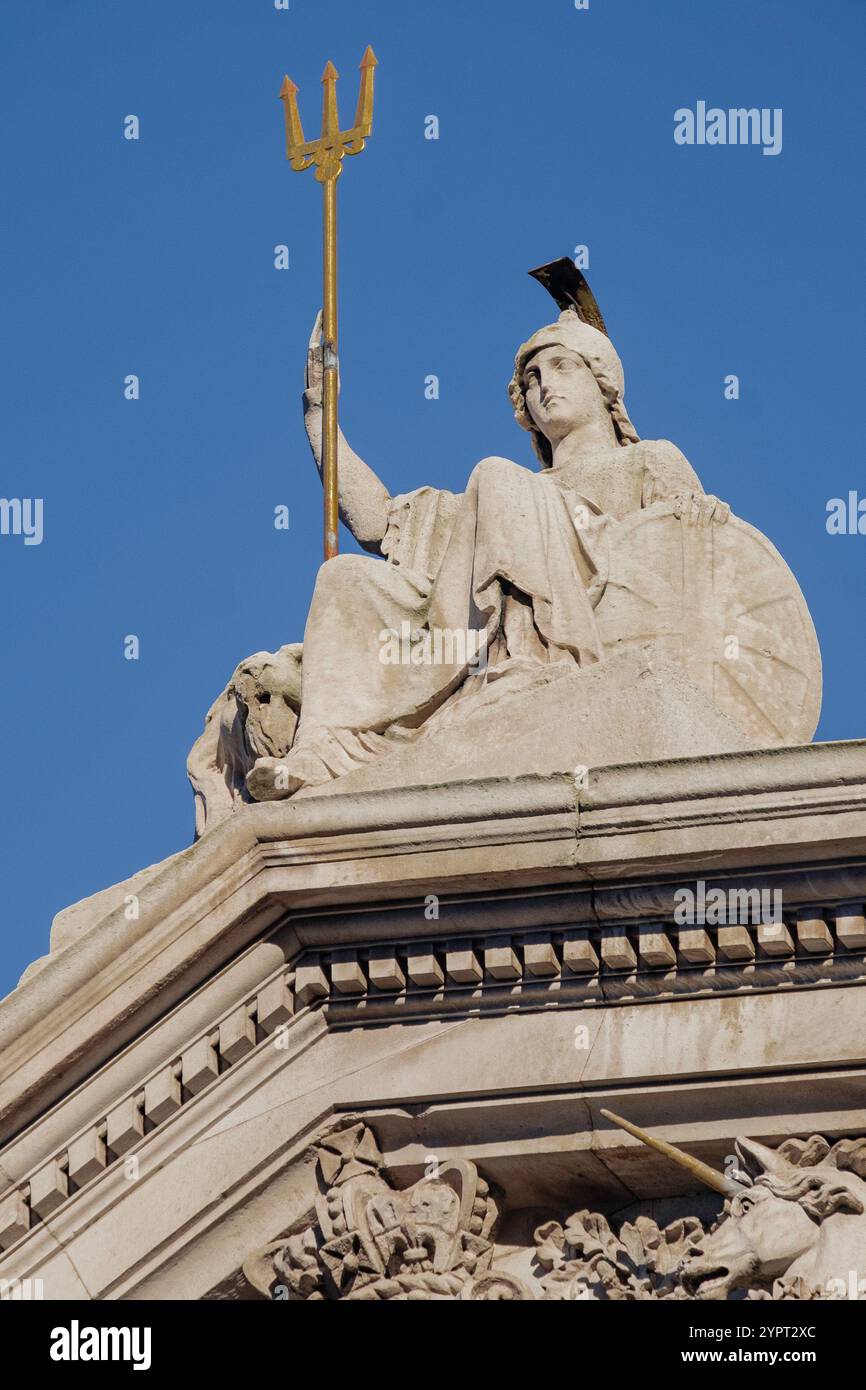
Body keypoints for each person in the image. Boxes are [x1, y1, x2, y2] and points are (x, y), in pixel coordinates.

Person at [246, 308, 729, 800]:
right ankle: (324, 750)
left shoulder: (646, 460)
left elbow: (694, 550)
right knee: (344, 576)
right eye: (533, 377)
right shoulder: (499, 502)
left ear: (604, 384)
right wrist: (321, 418)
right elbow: (379, 523)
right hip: (467, 623)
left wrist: (698, 513)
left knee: (496, 475)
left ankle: (529, 664)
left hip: (598, 615)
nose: (544, 386)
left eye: (564, 366)